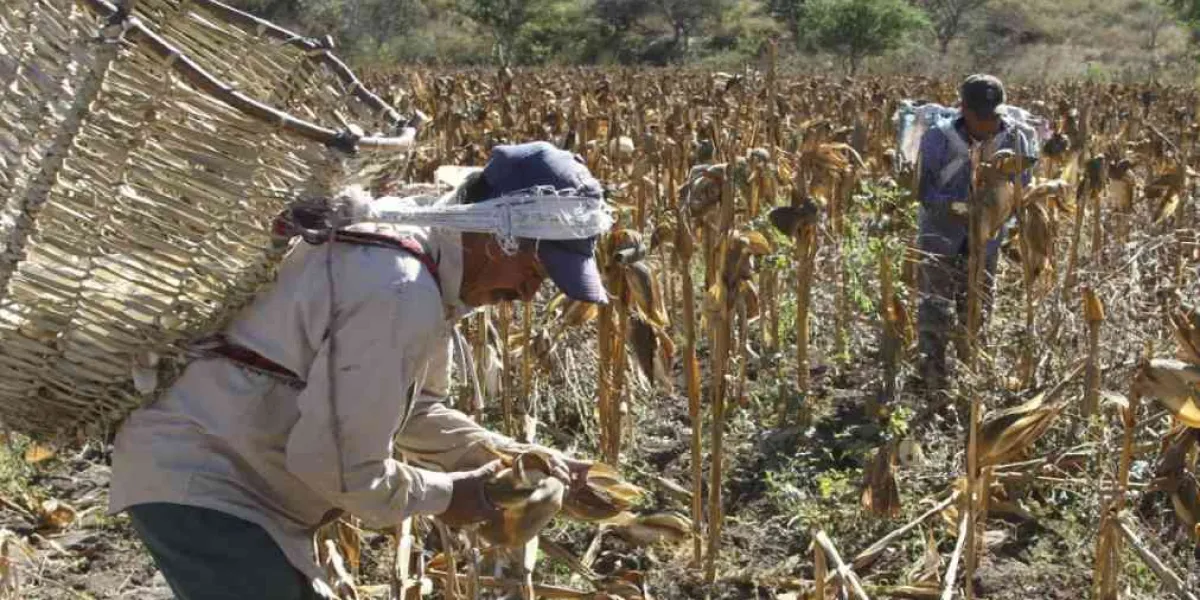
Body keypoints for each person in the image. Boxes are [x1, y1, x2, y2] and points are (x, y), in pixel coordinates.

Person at [107, 141, 608, 599]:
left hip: (228, 480)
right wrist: (453, 496)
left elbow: (416, 413)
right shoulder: (399, 291)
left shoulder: (426, 265)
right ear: (501, 237)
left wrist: (516, 459)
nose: (527, 296)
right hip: (205, 480)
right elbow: (338, 467)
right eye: (535, 275)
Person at [914, 74, 1035, 395]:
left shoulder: (1017, 138)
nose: (988, 124)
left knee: (979, 302)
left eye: (993, 115)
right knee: (935, 302)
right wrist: (961, 208)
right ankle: (932, 372)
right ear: (963, 110)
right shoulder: (937, 139)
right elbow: (923, 191)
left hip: (988, 239)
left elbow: (1024, 186)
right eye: (981, 117)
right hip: (940, 235)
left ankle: (972, 368)